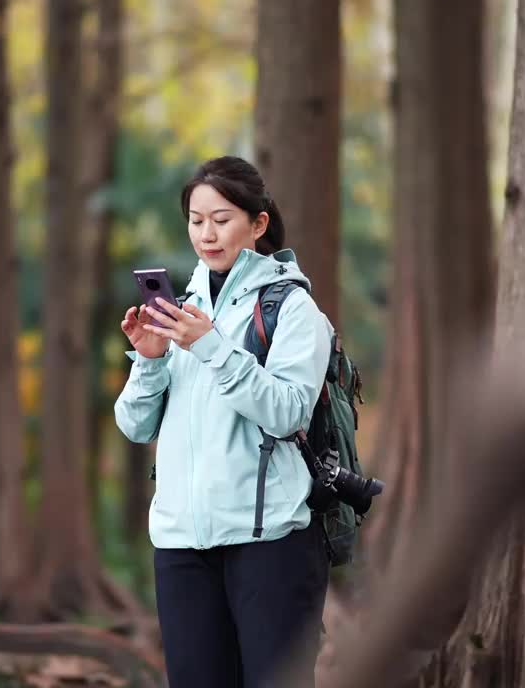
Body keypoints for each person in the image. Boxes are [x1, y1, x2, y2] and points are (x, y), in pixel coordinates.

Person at [114, 156, 333, 688]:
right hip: (182, 546)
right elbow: (136, 427)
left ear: (258, 224)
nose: (206, 234)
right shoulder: (182, 310)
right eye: (196, 220)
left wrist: (211, 346)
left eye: (222, 219)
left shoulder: (293, 308)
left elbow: (287, 413)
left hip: (270, 543)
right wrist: (149, 359)